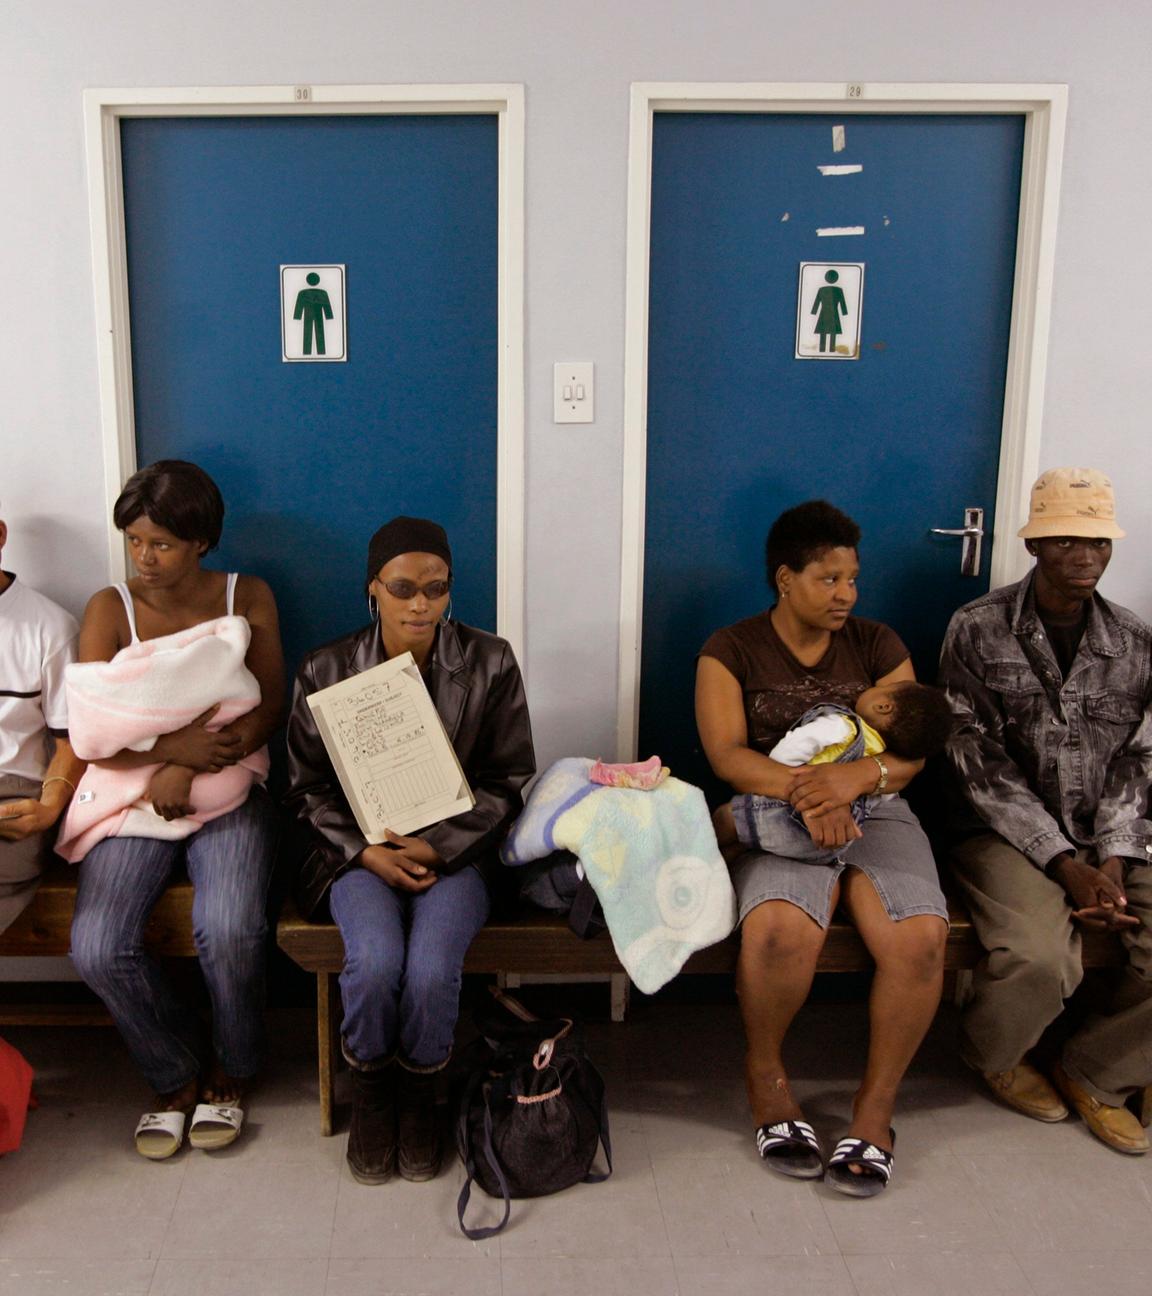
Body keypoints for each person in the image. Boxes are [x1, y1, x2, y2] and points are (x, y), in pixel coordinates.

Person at [696, 500, 948, 1196]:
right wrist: (814, 791)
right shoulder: (730, 649)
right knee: (779, 931)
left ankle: (875, 1107)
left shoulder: (879, 644)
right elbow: (725, 756)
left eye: (853, 580)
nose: (847, 596)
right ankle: (768, 1077)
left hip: (879, 807)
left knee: (921, 937)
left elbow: (911, 751)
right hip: (781, 810)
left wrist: (856, 779)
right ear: (785, 578)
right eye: (828, 580)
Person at [285, 516, 535, 1185]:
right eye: (403, 588)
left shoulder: (490, 660)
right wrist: (366, 853)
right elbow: (305, 787)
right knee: (373, 960)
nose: (420, 602)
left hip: (457, 853)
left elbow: (509, 781)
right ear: (374, 590)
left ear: (451, 591)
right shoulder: (326, 668)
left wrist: (438, 845)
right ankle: (371, 1097)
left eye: (436, 588)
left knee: (429, 967)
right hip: (358, 854)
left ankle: (423, 1095)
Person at [65, 461, 284, 1159]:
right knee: (98, 945)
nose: (143, 558)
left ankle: (234, 1067)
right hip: (133, 798)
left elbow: (267, 703)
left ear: (200, 542)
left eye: (159, 543)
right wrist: (162, 756)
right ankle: (173, 1072)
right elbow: (93, 729)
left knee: (233, 929)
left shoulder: (245, 595)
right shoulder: (111, 609)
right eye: (133, 541)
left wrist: (186, 760)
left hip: (228, 790)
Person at [939, 466, 1152, 1155]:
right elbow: (976, 763)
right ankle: (992, 1052)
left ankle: (1097, 1069)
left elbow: (1139, 760)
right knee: (1037, 958)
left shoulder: (1135, 643)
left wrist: (1114, 857)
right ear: (1034, 546)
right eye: (1065, 541)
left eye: (1096, 542)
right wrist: (1064, 865)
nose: (1084, 557)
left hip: (1111, 830)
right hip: (1005, 833)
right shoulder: (977, 630)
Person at [714, 680, 953, 863]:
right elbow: (882, 794)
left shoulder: (842, 727)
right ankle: (741, 846)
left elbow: (790, 750)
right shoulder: (882, 752)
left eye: (883, 687)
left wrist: (805, 787)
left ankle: (707, 856)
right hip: (830, 843)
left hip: (794, 814)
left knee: (728, 819)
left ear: (883, 706)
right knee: (756, 837)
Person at [0, 508, 83, 932]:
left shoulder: (49, 627)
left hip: (13, 792)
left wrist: (49, 809)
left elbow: (71, 744)